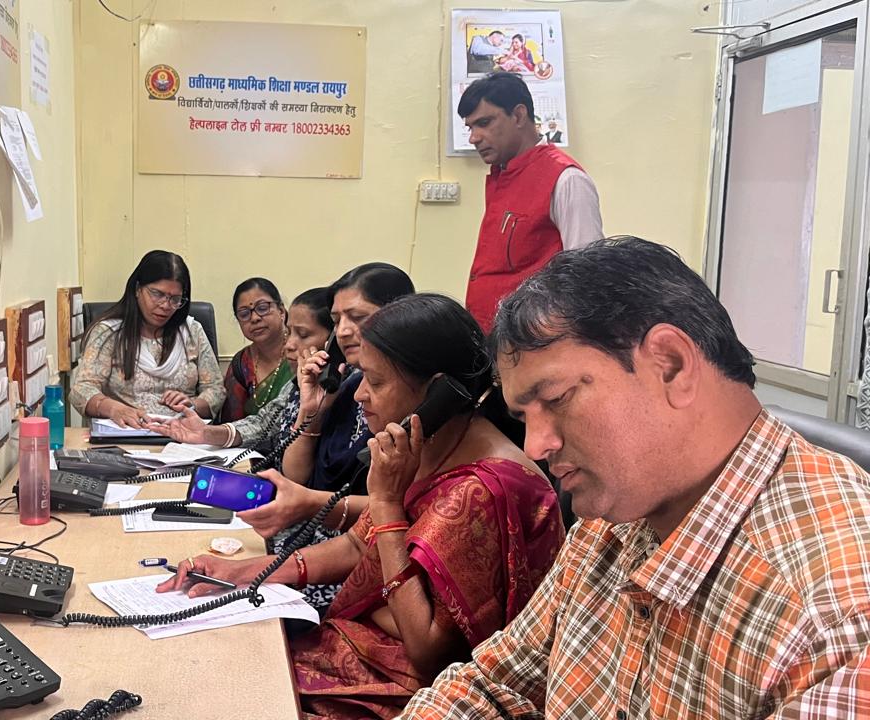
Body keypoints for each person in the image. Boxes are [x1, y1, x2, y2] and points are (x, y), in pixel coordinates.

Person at [400, 237, 870, 718]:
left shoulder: (834, 617)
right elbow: (492, 687)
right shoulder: (614, 518)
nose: (535, 446)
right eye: (525, 417)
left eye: (557, 399)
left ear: (671, 365)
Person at [160, 294, 565, 720]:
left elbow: (429, 655)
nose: (360, 394)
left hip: (411, 691)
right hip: (364, 647)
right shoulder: (428, 444)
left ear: (438, 392)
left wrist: (387, 505)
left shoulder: (484, 489)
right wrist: (241, 573)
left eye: (375, 381)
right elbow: (357, 546)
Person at [241, 263, 417, 543]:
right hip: (313, 531)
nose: (344, 331)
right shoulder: (344, 383)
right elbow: (295, 476)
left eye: (357, 317)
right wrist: (311, 412)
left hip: (360, 543)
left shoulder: (408, 389)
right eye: (336, 321)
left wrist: (310, 503)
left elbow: (407, 505)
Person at [458, 71, 602, 332]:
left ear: (518, 115)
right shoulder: (503, 175)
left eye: (484, 123)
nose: (474, 138)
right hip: (491, 336)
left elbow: (587, 276)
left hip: (534, 340)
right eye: (470, 127)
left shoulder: (566, 179)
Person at [150, 287, 333, 461]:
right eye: (290, 332)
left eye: (303, 334)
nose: (289, 345)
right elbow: (263, 424)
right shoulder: (296, 384)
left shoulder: (342, 391)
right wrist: (207, 433)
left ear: (333, 341)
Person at [69, 250, 224, 426]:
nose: (165, 305)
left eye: (175, 299)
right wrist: (114, 409)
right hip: (128, 432)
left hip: (182, 433)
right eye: (157, 294)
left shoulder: (192, 331)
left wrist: (193, 405)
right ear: (137, 289)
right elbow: (82, 390)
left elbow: (216, 390)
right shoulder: (108, 333)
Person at [220, 278, 295, 423]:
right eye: (244, 314)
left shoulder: (300, 351)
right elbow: (232, 423)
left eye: (262, 308)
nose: (254, 318)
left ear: (281, 311)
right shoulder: (241, 364)